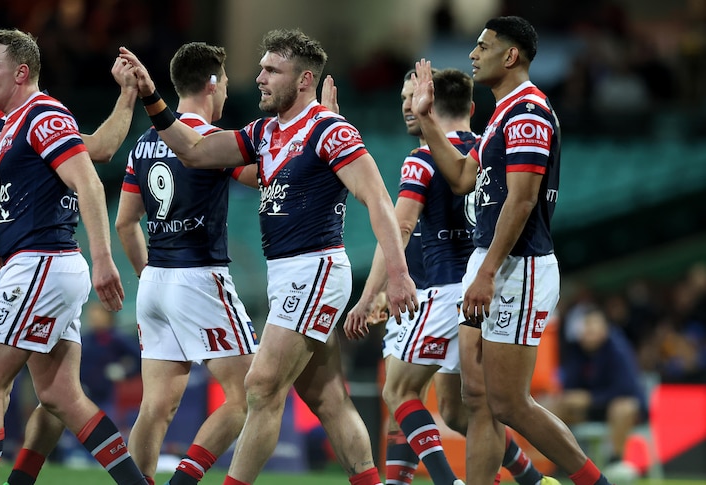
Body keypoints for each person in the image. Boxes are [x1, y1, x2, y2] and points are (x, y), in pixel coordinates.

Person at [123, 28, 419, 485]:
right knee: (327, 399)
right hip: (286, 274)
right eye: (260, 68)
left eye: (270, 70)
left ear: (303, 80)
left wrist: (395, 276)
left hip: (316, 268)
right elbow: (195, 151)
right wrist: (151, 98)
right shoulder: (264, 133)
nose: (257, 77)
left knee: (260, 387)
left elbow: (378, 199)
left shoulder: (329, 129)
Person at [410, 15, 614, 485]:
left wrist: (486, 272)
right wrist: (425, 119)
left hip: (516, 265)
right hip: (492, 261)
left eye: (482, 47)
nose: (472, 55)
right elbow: (463, 178)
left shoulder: (527, 112)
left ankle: (594, 482)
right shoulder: (503, 112)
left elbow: (522, 199)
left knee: (509, 402)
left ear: (511, 55)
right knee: (476, 401)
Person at [0, 42, 139, 484]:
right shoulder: (13, 124)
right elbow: (19, 202)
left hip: (42, 264)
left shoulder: (41, 115)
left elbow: (88, 175)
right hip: (24, 262)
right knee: (58, 394)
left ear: (20, 73)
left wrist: (104, 257)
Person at [345, 67, 552, 485]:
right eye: (402, 97)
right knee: (464, 411)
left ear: (429, 103)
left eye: (412, 96)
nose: (406, 105)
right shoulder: (486, 153)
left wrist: (372, 293)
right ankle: (531, 479)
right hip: (484, 292)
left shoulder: (423, 160)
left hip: (440, 292)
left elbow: (401, 230)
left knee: (399, 391)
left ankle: (447, 481)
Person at [114, 42, 259, 485]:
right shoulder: (210, 141)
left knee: (155, 408)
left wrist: (148, 275)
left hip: (155, 281)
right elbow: (260, 177)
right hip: (198, 277)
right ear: (213, 84)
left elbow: (125, 222)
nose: (230, 93)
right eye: (228, 83)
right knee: (248, 395)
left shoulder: (144, 143)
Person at [552, 305, 647, 472]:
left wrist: (590, 398)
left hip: (622, 408)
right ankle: (560, 463)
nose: (588, 331)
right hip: (591, 410)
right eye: (585, 327)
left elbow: (625, 388)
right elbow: (568, 386)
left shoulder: (618, 349)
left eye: (593, 326)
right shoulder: (575, 351)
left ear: (604, 329)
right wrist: (573, 398)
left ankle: (615, 462)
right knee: (553, 405)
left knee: (623, 408)